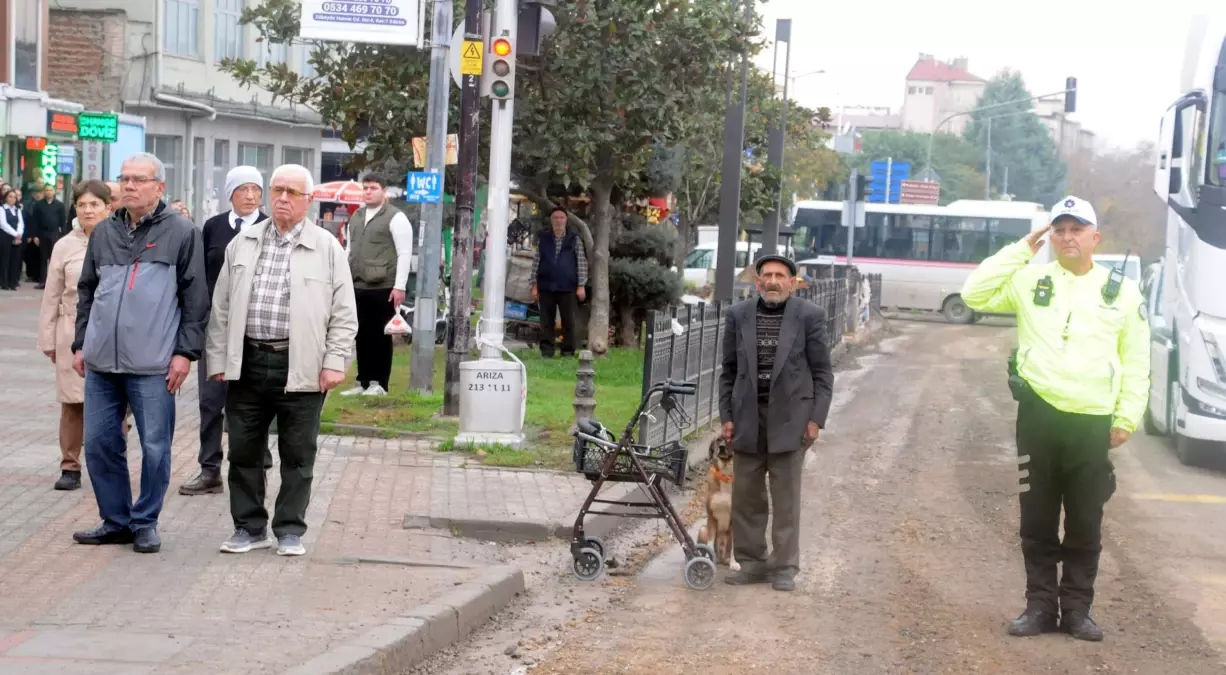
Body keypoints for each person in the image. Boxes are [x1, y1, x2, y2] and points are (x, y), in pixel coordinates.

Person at [961, 196, 1149, 642]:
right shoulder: (1031, 282)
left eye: (1076, 229)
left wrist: (1126, 416)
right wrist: (1022, 248)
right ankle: (1040, 606)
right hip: (1039, 417)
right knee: (1037, 518)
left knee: (1086, 519)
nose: (1067, 238)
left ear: (1094, 238)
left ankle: (1078, 610)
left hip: (1092, 421)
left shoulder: (1120, 291)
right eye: (1059, 230)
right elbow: (974, 293)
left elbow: (1137, 359)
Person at [207, 163, 357, 557]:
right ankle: (248, 527)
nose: (283, 199)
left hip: (302, 364)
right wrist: (219, 358)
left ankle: (289, 528)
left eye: (292, 192)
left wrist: (335, 360)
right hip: (250, 361)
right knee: (243, 450)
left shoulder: (327, 248)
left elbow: (343, 312)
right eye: (278, 190)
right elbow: (221, 308)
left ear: (308, 200)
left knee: (298, 453)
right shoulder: (243, 243)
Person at [70, 152, 210, 554]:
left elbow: (195, 299)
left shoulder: (182, 231)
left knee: (154, 447)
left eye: (139, 179)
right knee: (98, 443)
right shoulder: (103, 233)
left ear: (159, 187)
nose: (129, 186)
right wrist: (82, 342)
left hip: (152, 364)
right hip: (101, 363)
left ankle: (145, 521)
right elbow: (87, 291)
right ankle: (115, 520)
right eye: (125, 178)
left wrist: (185, 353)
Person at [717, 254, 835, 591]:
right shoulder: (738, 315)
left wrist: (815, 420)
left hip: (790, 420)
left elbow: (823, 373)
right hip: (747, 417)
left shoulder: (809, 316)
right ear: (757, 282)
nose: (772, 281)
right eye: (766, 275)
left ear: (792, 282)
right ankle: (751, 563)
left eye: (780, 276)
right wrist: (727, 416)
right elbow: (728, 371)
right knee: (746, 497)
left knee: (785, 500)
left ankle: (783, 566)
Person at [179, 166, 272, 496]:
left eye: (256, 190)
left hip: (257, 329)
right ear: (230, 193)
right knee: (210, 400)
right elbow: (201, 274)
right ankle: (209, 469)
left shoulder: (270, 228)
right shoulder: (214, 227)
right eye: (243, 189)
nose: (250, 196)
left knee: (253, 400)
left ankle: (256, 462)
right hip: (216, 327)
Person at [38, 181, 112, 491]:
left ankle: (110, 466)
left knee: (113, 401)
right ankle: (70, 466)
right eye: (82, 204)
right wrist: (48, 339)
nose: (88, 210)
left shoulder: (120, 240)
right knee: (72, 403)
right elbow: (51, 295)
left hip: (111, 331)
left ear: (108, 207)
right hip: (71, 330)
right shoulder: (64, 246)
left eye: (95, 204)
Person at [339, 173, 412, 397]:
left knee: (380, 335)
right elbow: (349, 250)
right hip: (358, 284)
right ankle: (362, 380)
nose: (368, 192)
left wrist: (399, 286)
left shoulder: (395, 217)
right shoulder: (357, 216)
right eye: (366, 188)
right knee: (361, 334)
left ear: (384, 192)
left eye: (373, 188)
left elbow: (404, 253)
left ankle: (379, 382)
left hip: (383, 285)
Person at [530, 207, 587, 358]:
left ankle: (567, 352)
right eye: (555, 217)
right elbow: (536, 262)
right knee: (546, 321)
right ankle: (547, 352)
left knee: (568, 321)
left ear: (566, 220)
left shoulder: (574, 240)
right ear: (551, 220)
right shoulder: (544, 239)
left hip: (567, 287)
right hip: (546, 286)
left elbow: (581, 263)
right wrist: (534, 285)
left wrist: (581, 285)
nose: (558, 220)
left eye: (561, 217)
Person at [32, 184, 67, 288]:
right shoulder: (39, 205)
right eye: (46, 190)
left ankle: (54, 282)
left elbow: (62, 221)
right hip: (42, 233)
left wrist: (63, 236)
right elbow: (35, 221)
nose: (48, 192)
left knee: (54, 258)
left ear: (54, 191)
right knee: (43, 258)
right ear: (44, 192)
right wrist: (35, 235)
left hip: (54, 233)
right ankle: (42, 281)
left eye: (50, 190)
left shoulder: (59, 205)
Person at [1, 187, 25, 290]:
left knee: (15, 260)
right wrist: (15, 233)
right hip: (5, 237)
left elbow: (21, 222)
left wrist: (19, 233)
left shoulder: (17, 209)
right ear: (6, 198)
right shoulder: (2, 208)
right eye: (10, 197)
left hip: (17, 238)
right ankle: (4, 282)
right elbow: (3, 224)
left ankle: (13, 282)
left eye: (14, 197)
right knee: (5, 260)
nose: (12, 199)